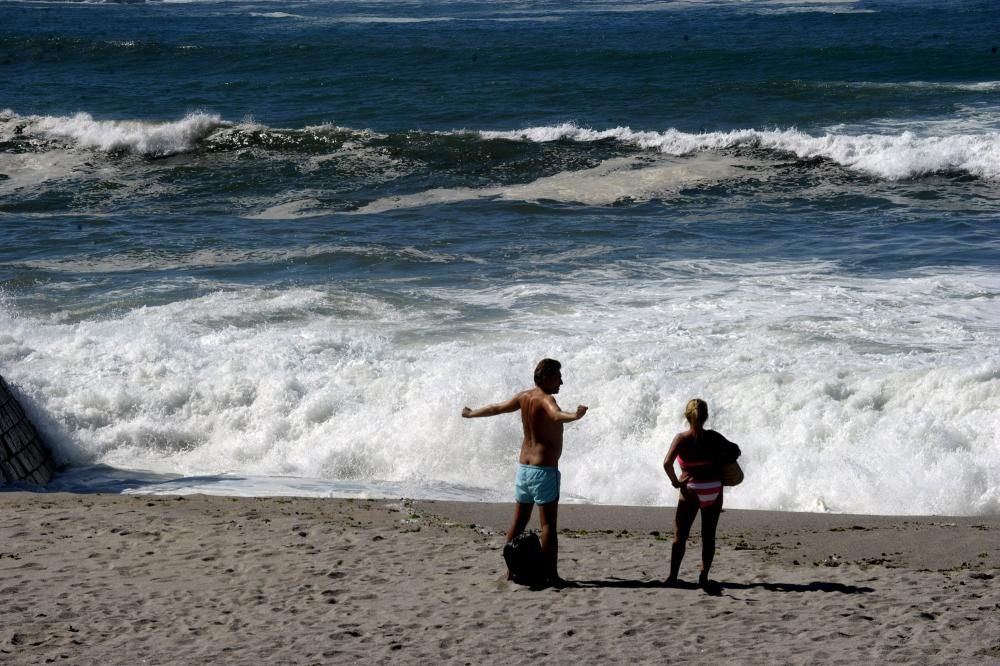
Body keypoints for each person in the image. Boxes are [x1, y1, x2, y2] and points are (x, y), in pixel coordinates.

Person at [462, 358, 588, 586]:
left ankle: (511, 572)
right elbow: (557, 415)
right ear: (548, 378)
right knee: (548, 525)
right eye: (559, 376)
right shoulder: (547, 400)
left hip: (524, 470)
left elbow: (497, 408)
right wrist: (575, 416)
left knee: (518, 523)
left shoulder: (524, 397)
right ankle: (552, 575)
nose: (562, 381)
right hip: (543, 471)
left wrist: (472, 414)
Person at [662, 398, 737, 592]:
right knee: (708, 535)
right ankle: (703, 576)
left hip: (691, 488)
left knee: (680, 535)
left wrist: (675, 482)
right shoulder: (714, 437)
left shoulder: (682, 438)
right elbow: (735, 450)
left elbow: (667, 463)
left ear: (687, 416)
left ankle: (672, 577)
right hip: (714, 487)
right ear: (706, 416)